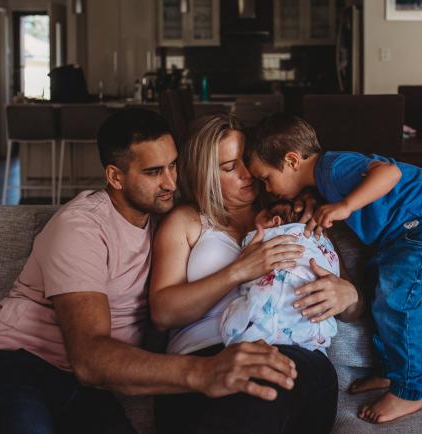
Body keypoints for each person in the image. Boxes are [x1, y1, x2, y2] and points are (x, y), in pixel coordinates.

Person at [0, 109, 298, 434]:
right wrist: (203, 372)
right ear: (115, 176)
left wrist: (304, 202)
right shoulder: (81, 226)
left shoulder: (169, 219)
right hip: (7, 368)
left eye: (173, 166)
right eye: (154, 172)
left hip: (80, 390)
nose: (171, 183)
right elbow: (90, 356)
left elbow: (220, 205)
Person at [246, 113, 422, 424]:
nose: (267, 189)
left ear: (291, 160)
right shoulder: (321, 184)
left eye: (265, 178)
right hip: (405, 237)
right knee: (375, 282)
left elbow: (389, 173)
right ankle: (390, 372)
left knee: (396, 297)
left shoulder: (335, 167)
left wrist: (345, 206)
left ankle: (409, 391)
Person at [150, 114, 362, 434]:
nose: (247, 174)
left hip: (292, 352)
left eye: (247, 160)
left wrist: (349, 295)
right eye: (229, 167)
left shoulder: (295, 213)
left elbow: (353, 307)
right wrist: (239, 270)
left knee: (269, 393)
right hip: (201, 359)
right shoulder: (187, 221)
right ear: (204, 174)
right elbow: (163, 314)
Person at [220, 199, 341, 352]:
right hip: (314, 325)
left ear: (275, 221)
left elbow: (247, 262)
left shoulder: (265, 235)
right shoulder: (325, 243)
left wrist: (248, 248)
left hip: (270, 314)